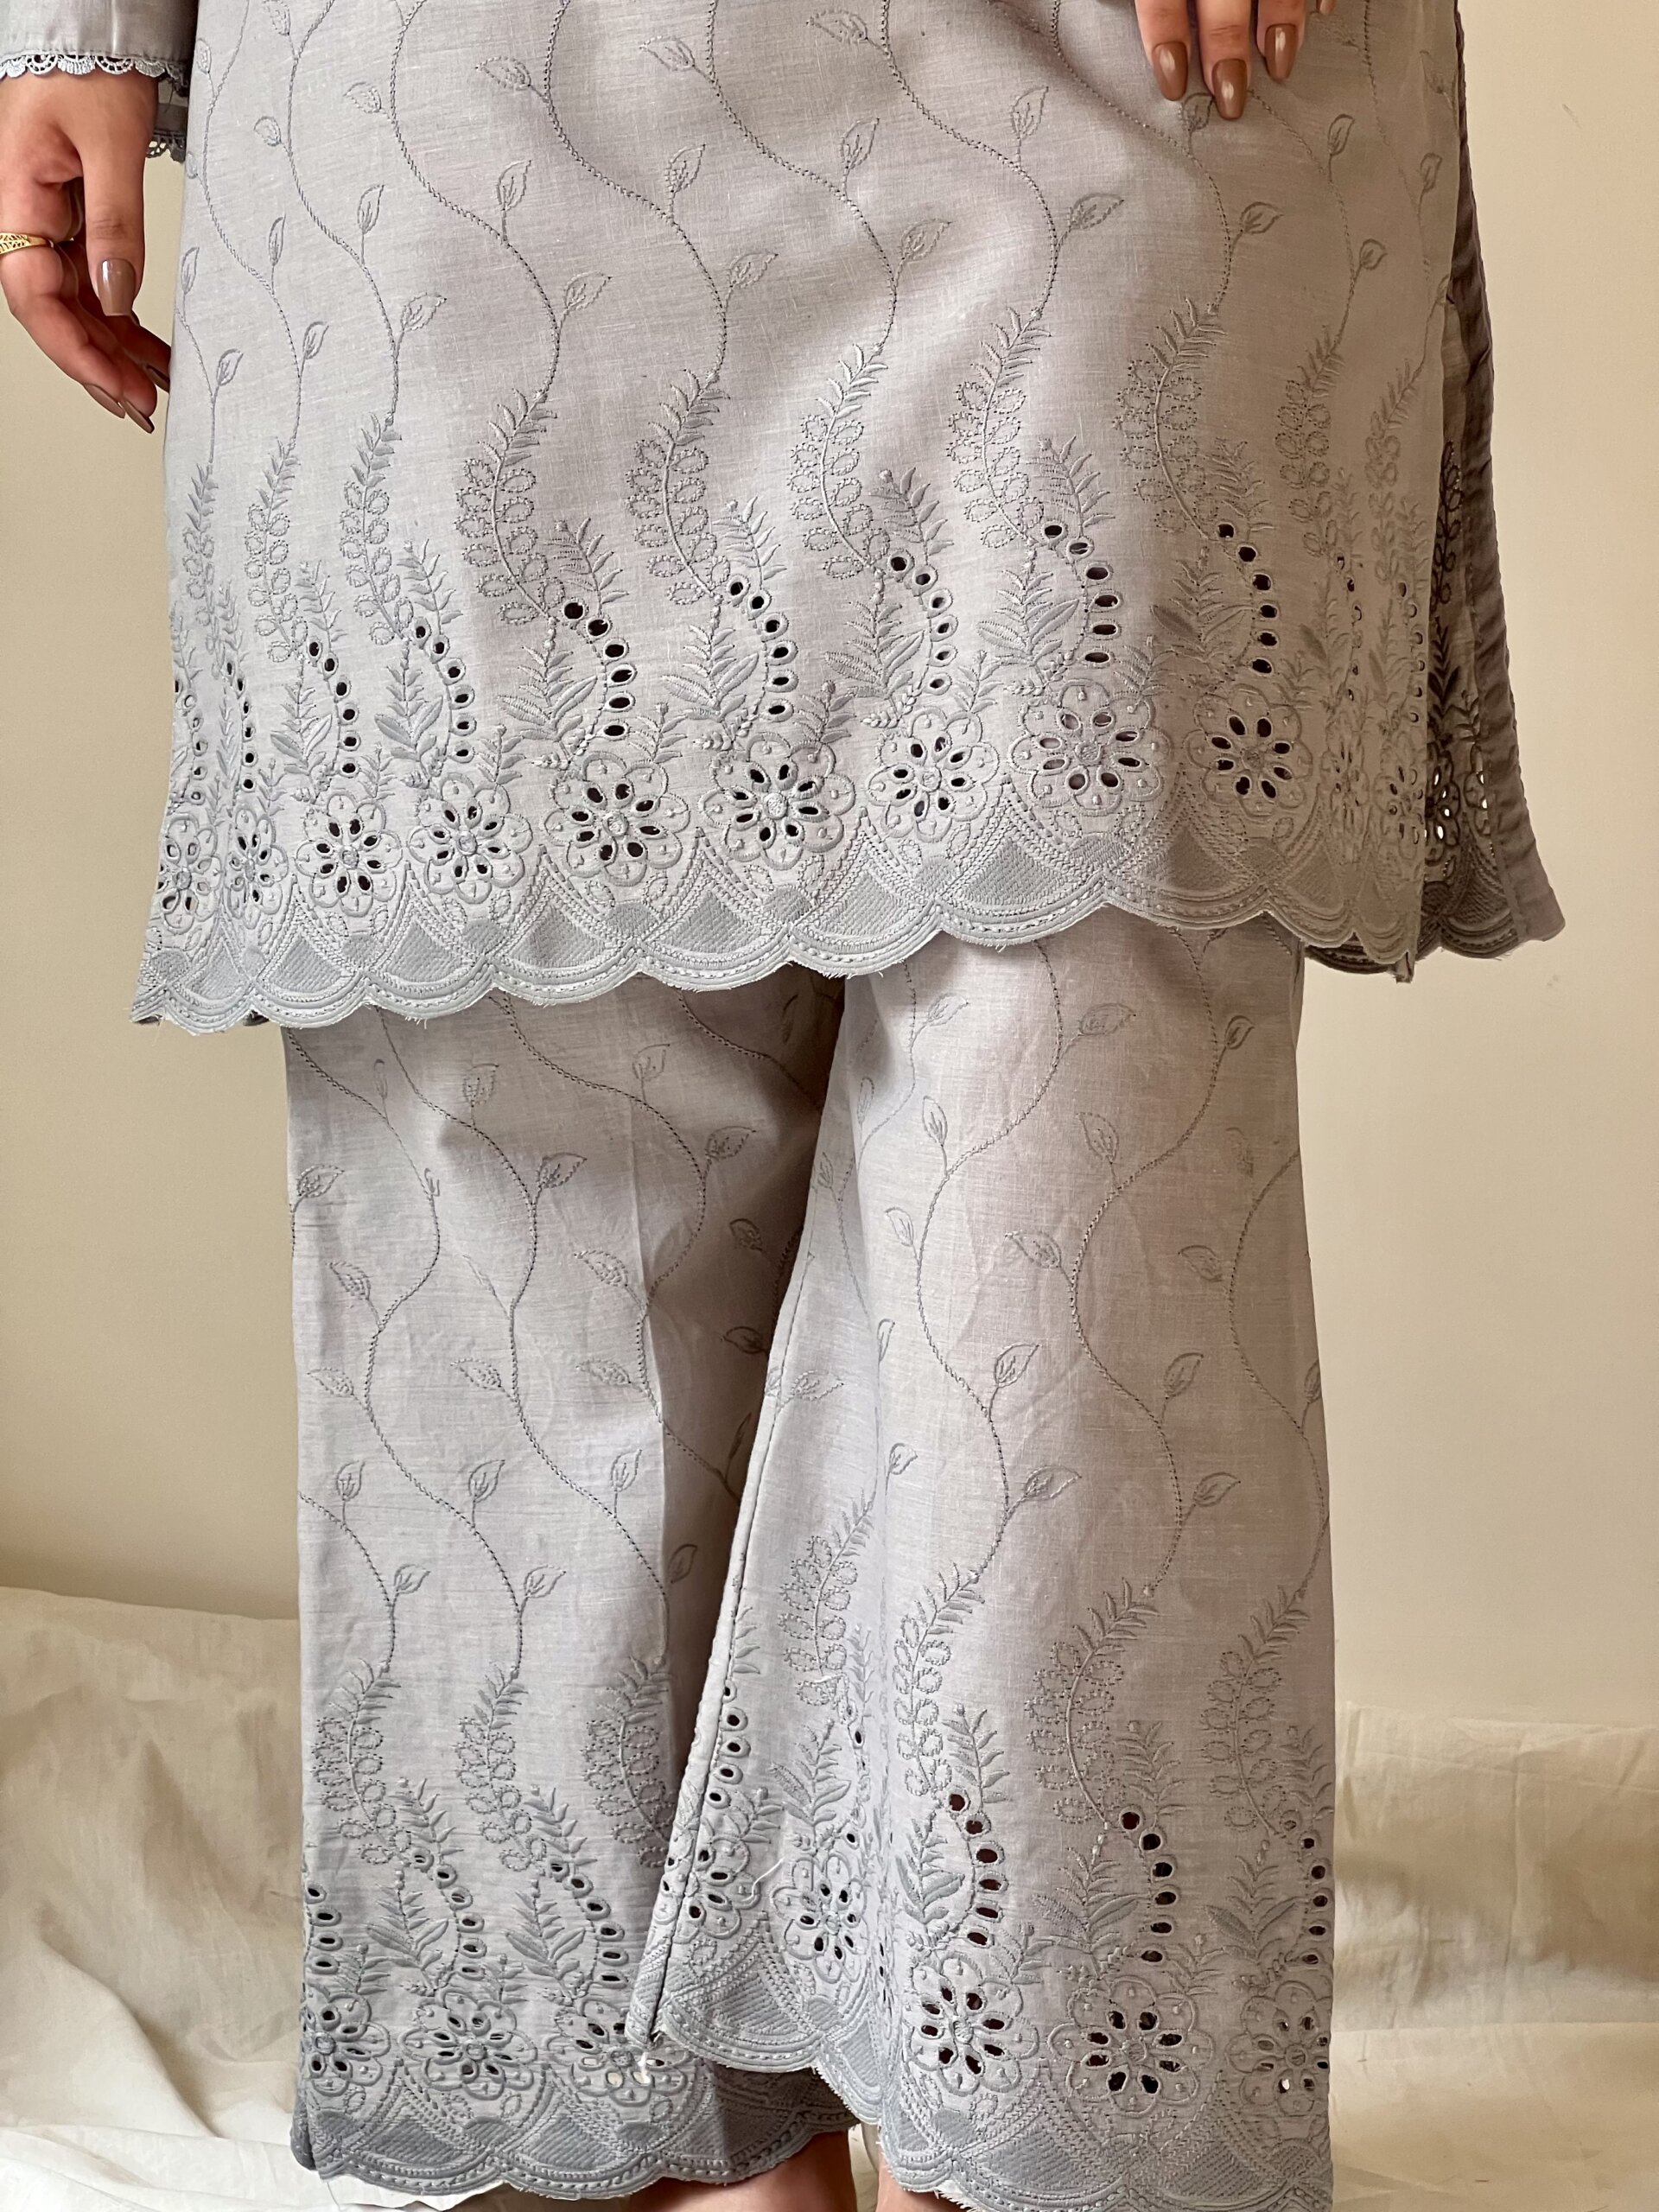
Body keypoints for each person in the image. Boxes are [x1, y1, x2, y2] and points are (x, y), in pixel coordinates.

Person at [0, 3, 1560, 2208]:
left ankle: (1031, 2122)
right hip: (456, 103)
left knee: (1079, 1190)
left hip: (1134, 85)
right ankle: (654, 2143)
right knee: (525, 1147)